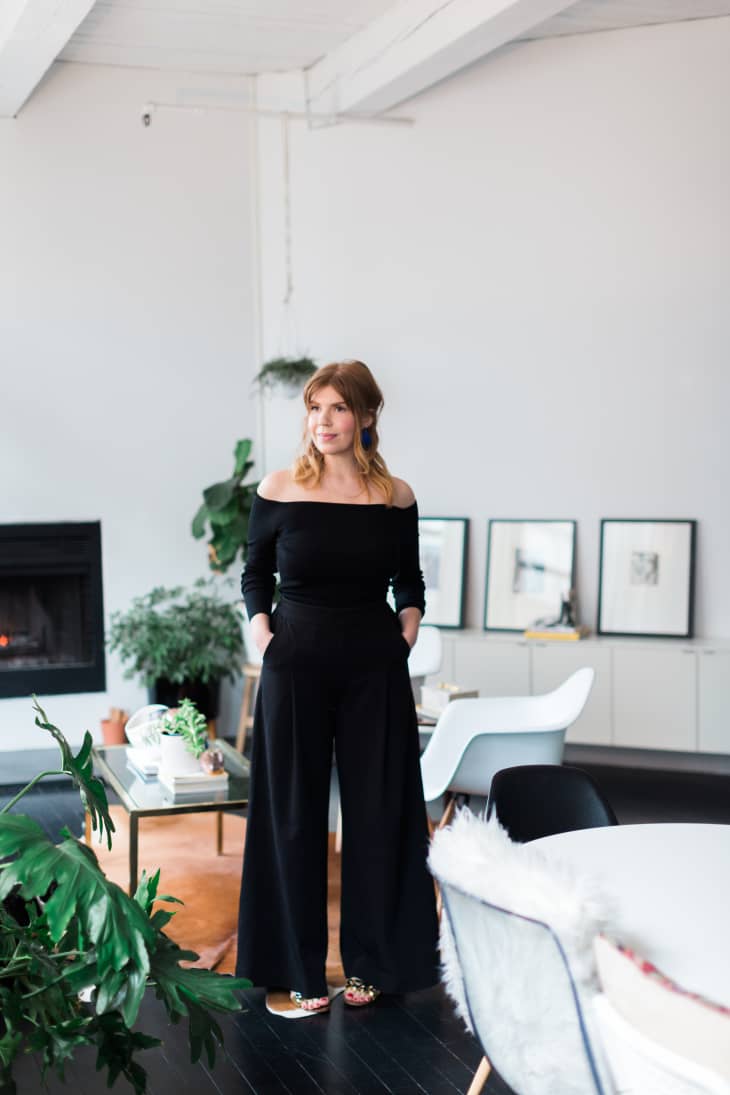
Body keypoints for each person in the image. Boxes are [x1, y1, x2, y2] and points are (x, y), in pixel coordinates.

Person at [236, 359, 439, 1016]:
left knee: (379, 815)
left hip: (373, 668)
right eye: (315, 407)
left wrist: (405, 631)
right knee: (292, 816)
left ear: (367, 416)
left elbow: (408, 579)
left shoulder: (395, 497)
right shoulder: (279, 487)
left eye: (338, 408)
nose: (323, 421)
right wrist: (266, 638)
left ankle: (374, 966)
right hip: (295, 664)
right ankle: (297, 970)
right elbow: (254, 576)